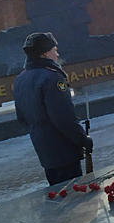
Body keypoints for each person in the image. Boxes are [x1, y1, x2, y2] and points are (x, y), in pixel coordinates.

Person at [13, 32, 93, 186]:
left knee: (58, 198)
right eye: (54, 50)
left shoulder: (20, 79)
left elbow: (22, 118)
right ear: (45, 53)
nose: (57, 54)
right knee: (73, 198)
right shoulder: (52, 77)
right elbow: (63, 118)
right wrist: (82, 139)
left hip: (44, 151)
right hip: (64, 150)